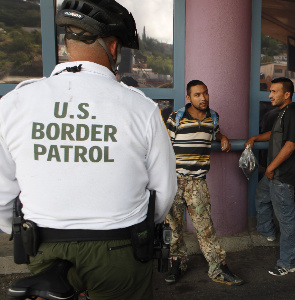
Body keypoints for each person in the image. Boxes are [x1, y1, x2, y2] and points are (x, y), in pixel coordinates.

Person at [0, 1, 178, 299]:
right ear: (113, 48)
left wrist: (20, 231)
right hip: (120, 249)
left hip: (45, 247)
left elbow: (3, 192)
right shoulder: (141, 107)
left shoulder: (14, 103)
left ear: (67, 43)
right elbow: (164, 191)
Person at [164, 80, 243, 286]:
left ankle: (218, 269)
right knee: (173, 228)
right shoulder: (176, 118)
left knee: (205, 228)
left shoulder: (213, 117)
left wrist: (223, 136)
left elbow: (214, 131)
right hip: (174, 180)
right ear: (188, 98)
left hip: (197, 183)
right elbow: (163, 147)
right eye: (197, 95)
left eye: (205, 93)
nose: (203, 98)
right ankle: (176, 264)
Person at [245, 77, 295, 276]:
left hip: (282, 175)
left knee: (286, 219)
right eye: (270, 91)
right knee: (261, 197)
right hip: (274, 174)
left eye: (275, 91)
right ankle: (268, 233)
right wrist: (254, 138)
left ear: (287, 94)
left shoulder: (292, 113)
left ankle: (288, 262)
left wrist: (270, 167)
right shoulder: (282, 113)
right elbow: (274, 134)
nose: (270, 95)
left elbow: (290, 145)